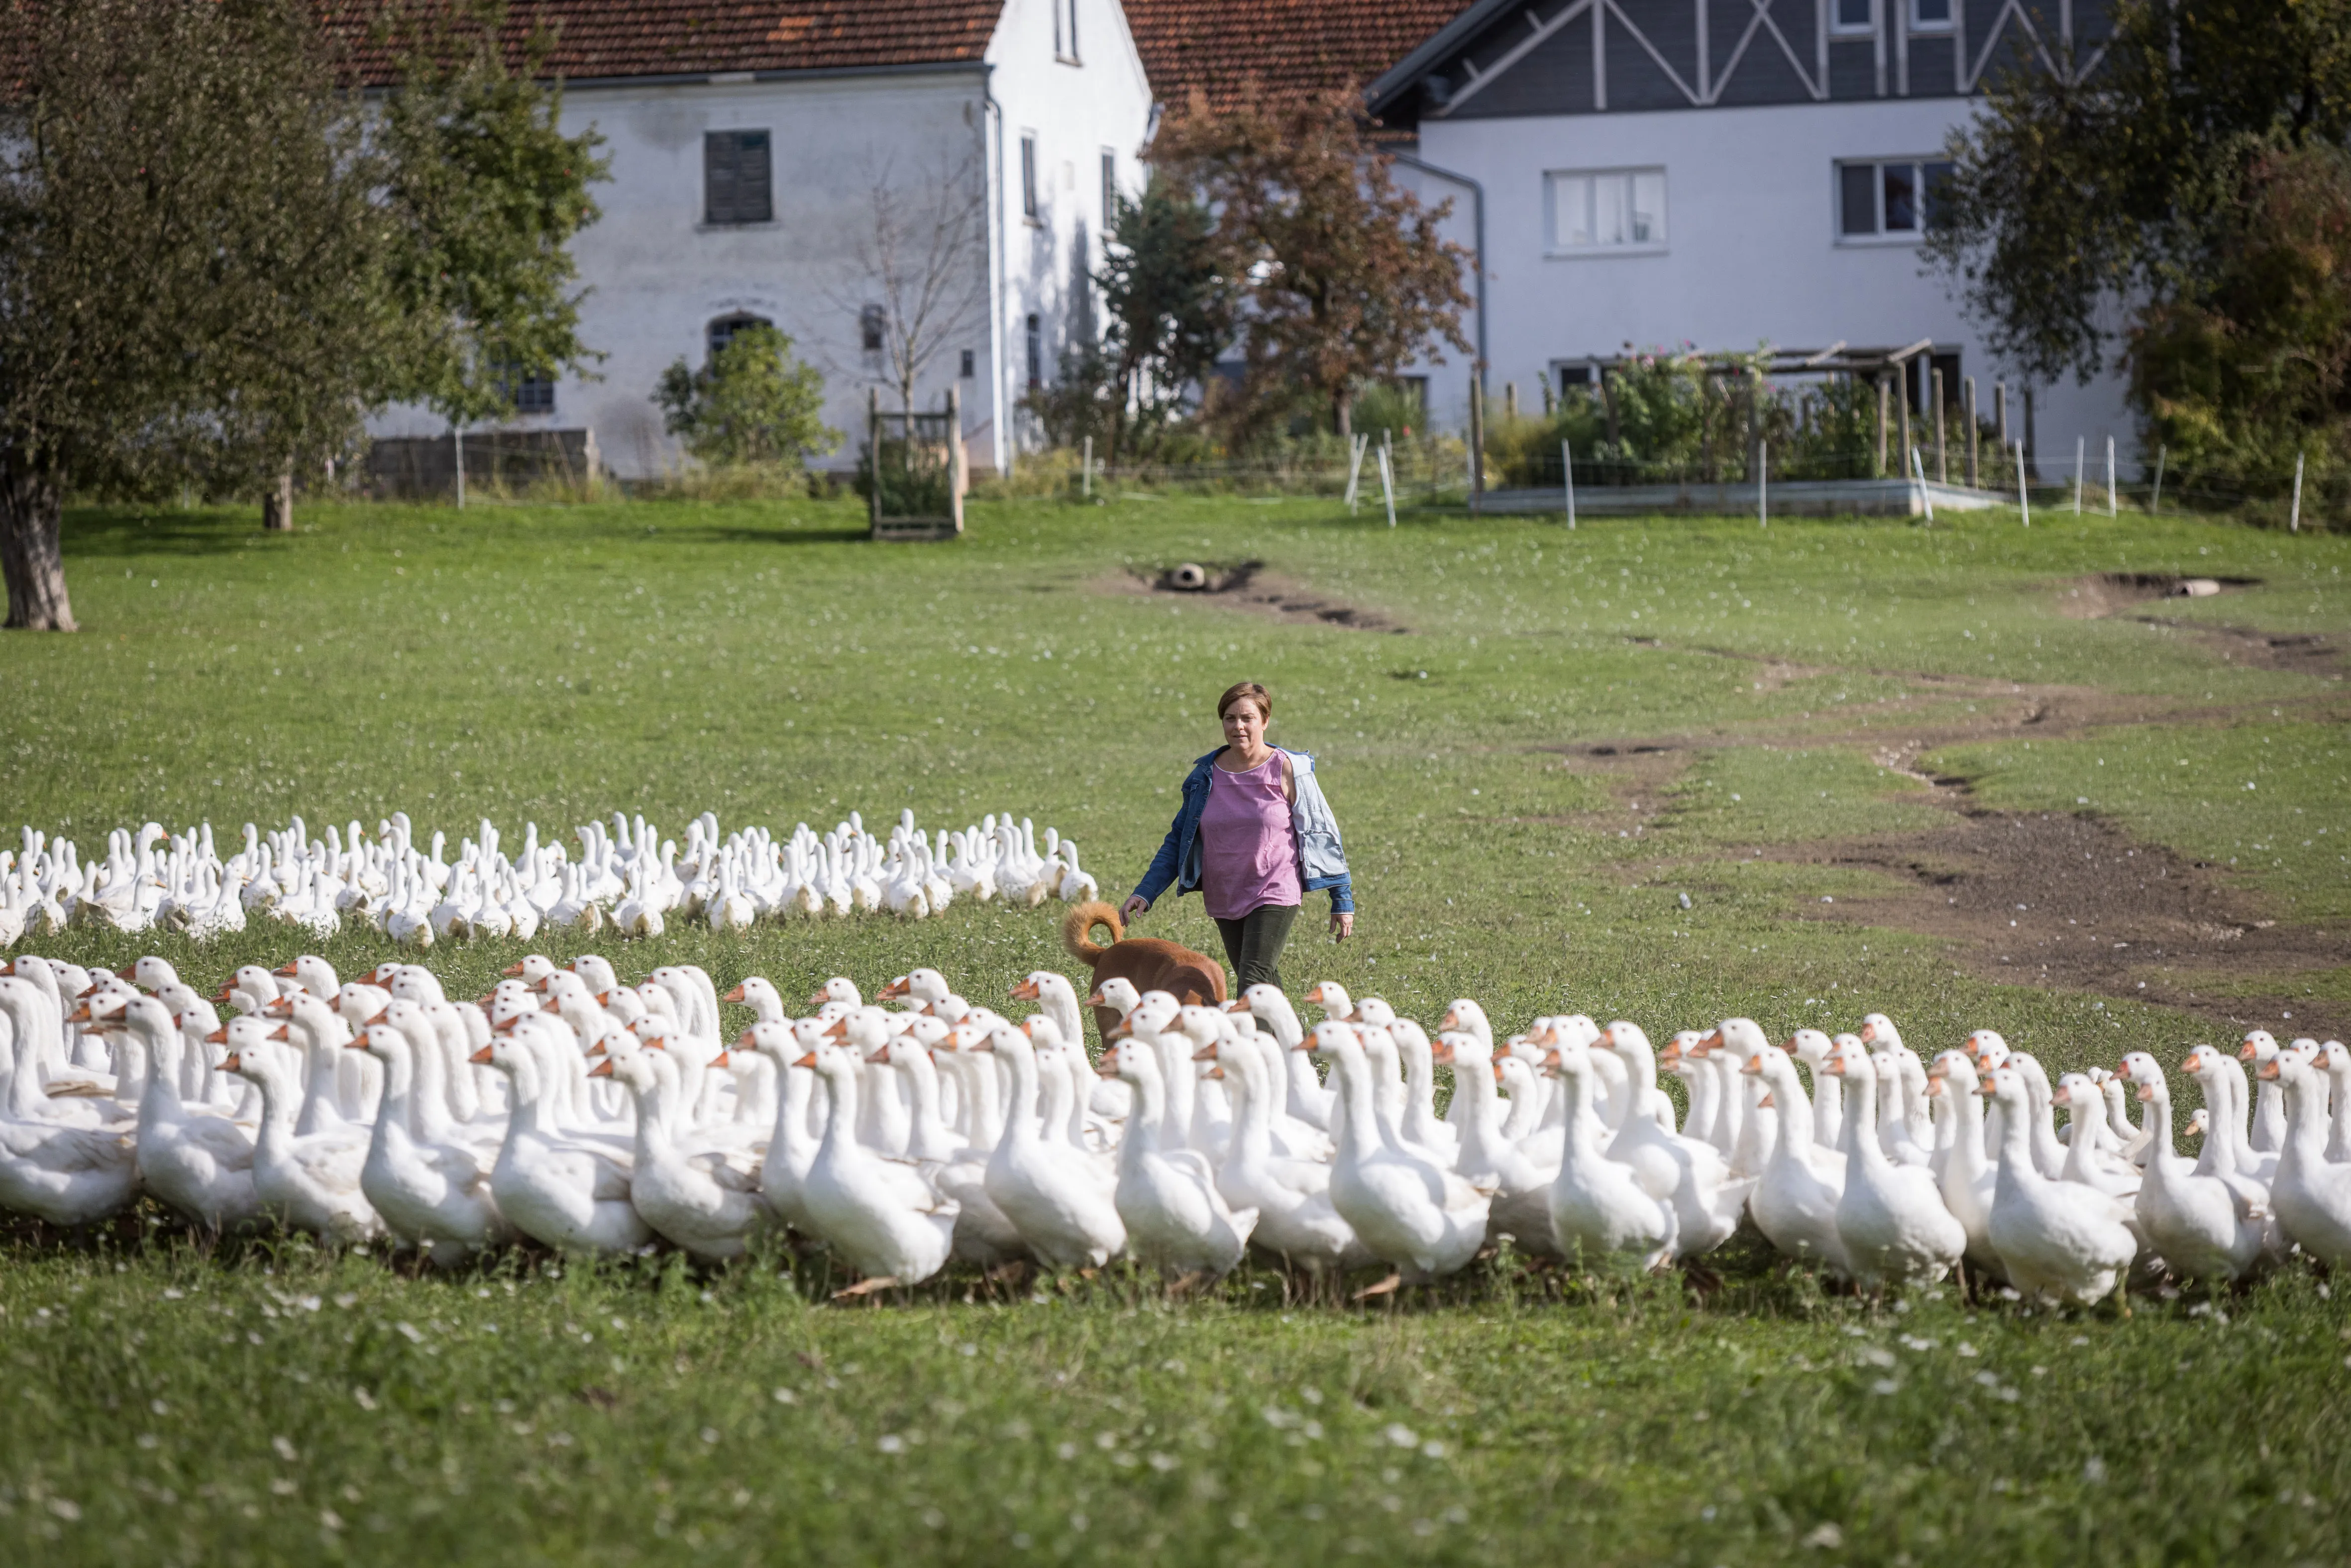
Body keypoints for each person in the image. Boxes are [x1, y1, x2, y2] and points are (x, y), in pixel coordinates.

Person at [1122, 681, 1354, 993]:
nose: (1238, 727)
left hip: (1274, 888)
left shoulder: (1287, 770)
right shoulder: (1205, 775)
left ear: (1265, 721)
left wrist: (1342, 899)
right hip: (1225, 893)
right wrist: (1146, 891)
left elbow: (1321, 833)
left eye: (1248, 718)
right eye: (1230, 718)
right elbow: (1179, 838)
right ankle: (1292, 1041)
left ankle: (1252, 1043)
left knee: (1253, 983)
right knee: (1265, 984)